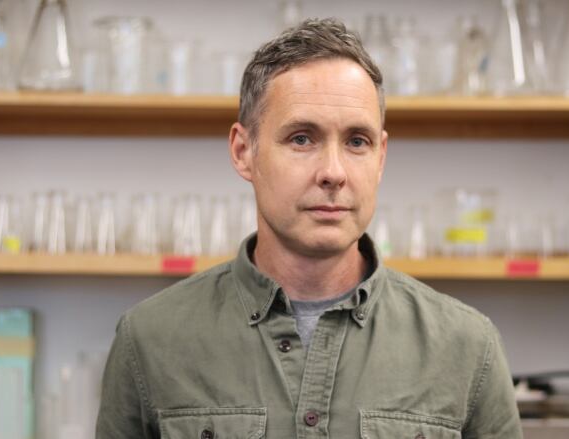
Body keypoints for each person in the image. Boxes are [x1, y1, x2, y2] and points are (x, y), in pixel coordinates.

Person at [96, 18, 522, 439]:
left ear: (381, 158)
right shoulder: (149, 339)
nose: (333, 172)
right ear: (244, 152)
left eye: (357, 141)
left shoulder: (468, 346)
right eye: (302, 138)